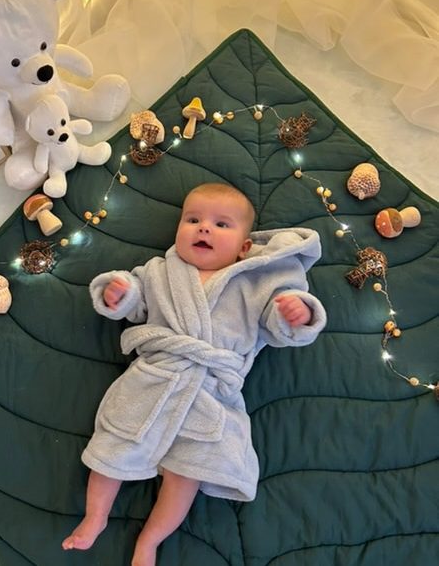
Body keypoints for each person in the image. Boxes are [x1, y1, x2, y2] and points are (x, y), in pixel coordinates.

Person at [62, 182, 327, 565]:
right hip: (153, 379)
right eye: (193, 219)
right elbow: (135, 302)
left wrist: (296, 313)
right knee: (111, 449)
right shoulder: (159, 271)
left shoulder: (254, 284)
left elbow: (276, 328)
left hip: (211, 391)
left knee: (187, 473)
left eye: (221, 224)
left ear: (244, 247)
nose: (204, 228)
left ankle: (150, 541)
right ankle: (95, 517)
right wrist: (118, 293)